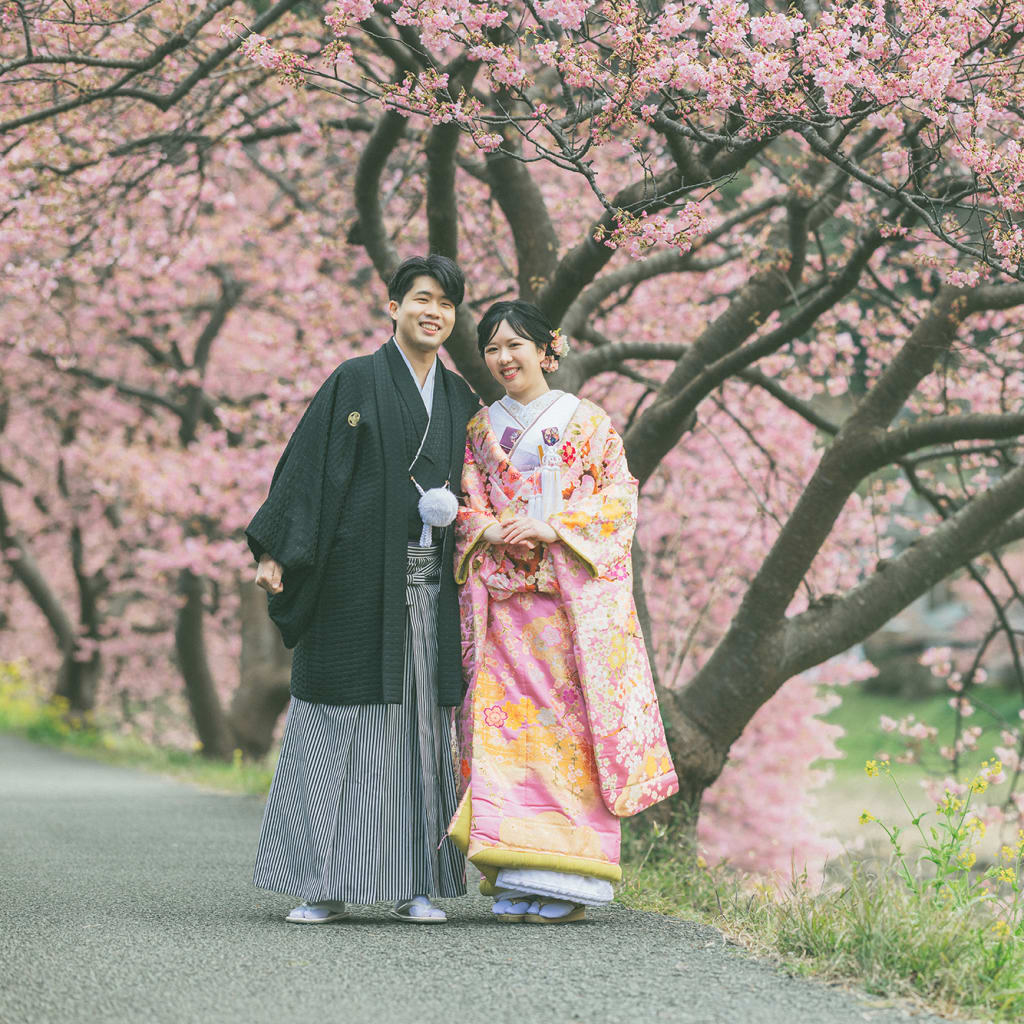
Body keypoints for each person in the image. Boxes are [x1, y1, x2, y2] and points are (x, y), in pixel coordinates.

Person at [246, 254, 479, 924]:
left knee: (420, 736)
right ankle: (323, 884)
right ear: (393, 306)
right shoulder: (355, 380)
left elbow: (488, 484)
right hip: (354, 586)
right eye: (421, 299)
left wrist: (464, 513)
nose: (433, 312)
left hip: (428, 591)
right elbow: (310, 468)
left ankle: (419, 885)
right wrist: (277, 550)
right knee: (341, 723)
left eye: (445, 304)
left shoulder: (461, 399)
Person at [450, 300, 679, 924]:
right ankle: (516, 875)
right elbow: (468, 505)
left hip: (565, 613)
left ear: (546, 350)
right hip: (504, 609)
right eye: (492, 348)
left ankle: (570, 883)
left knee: (566, 740)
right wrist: (489, 530)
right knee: (505, 739)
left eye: (515, 345)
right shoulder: (477, 430)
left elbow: (618, 500)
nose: (503, 359)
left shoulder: (589, 422)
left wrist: (552, 527)